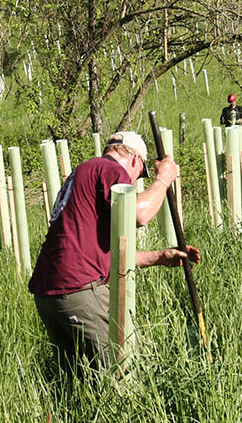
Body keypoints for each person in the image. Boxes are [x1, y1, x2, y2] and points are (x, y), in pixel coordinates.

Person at [29, 131, 201, 374]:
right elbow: (139, 215)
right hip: (78, 289)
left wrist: (159, 257)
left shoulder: (84, 174)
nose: (135, 181)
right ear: (134, 160)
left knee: (78, 380)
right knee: (128, 366)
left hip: (50, 295)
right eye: (140, 174)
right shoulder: (109, 169)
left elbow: (98, 253)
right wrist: (163, 179)